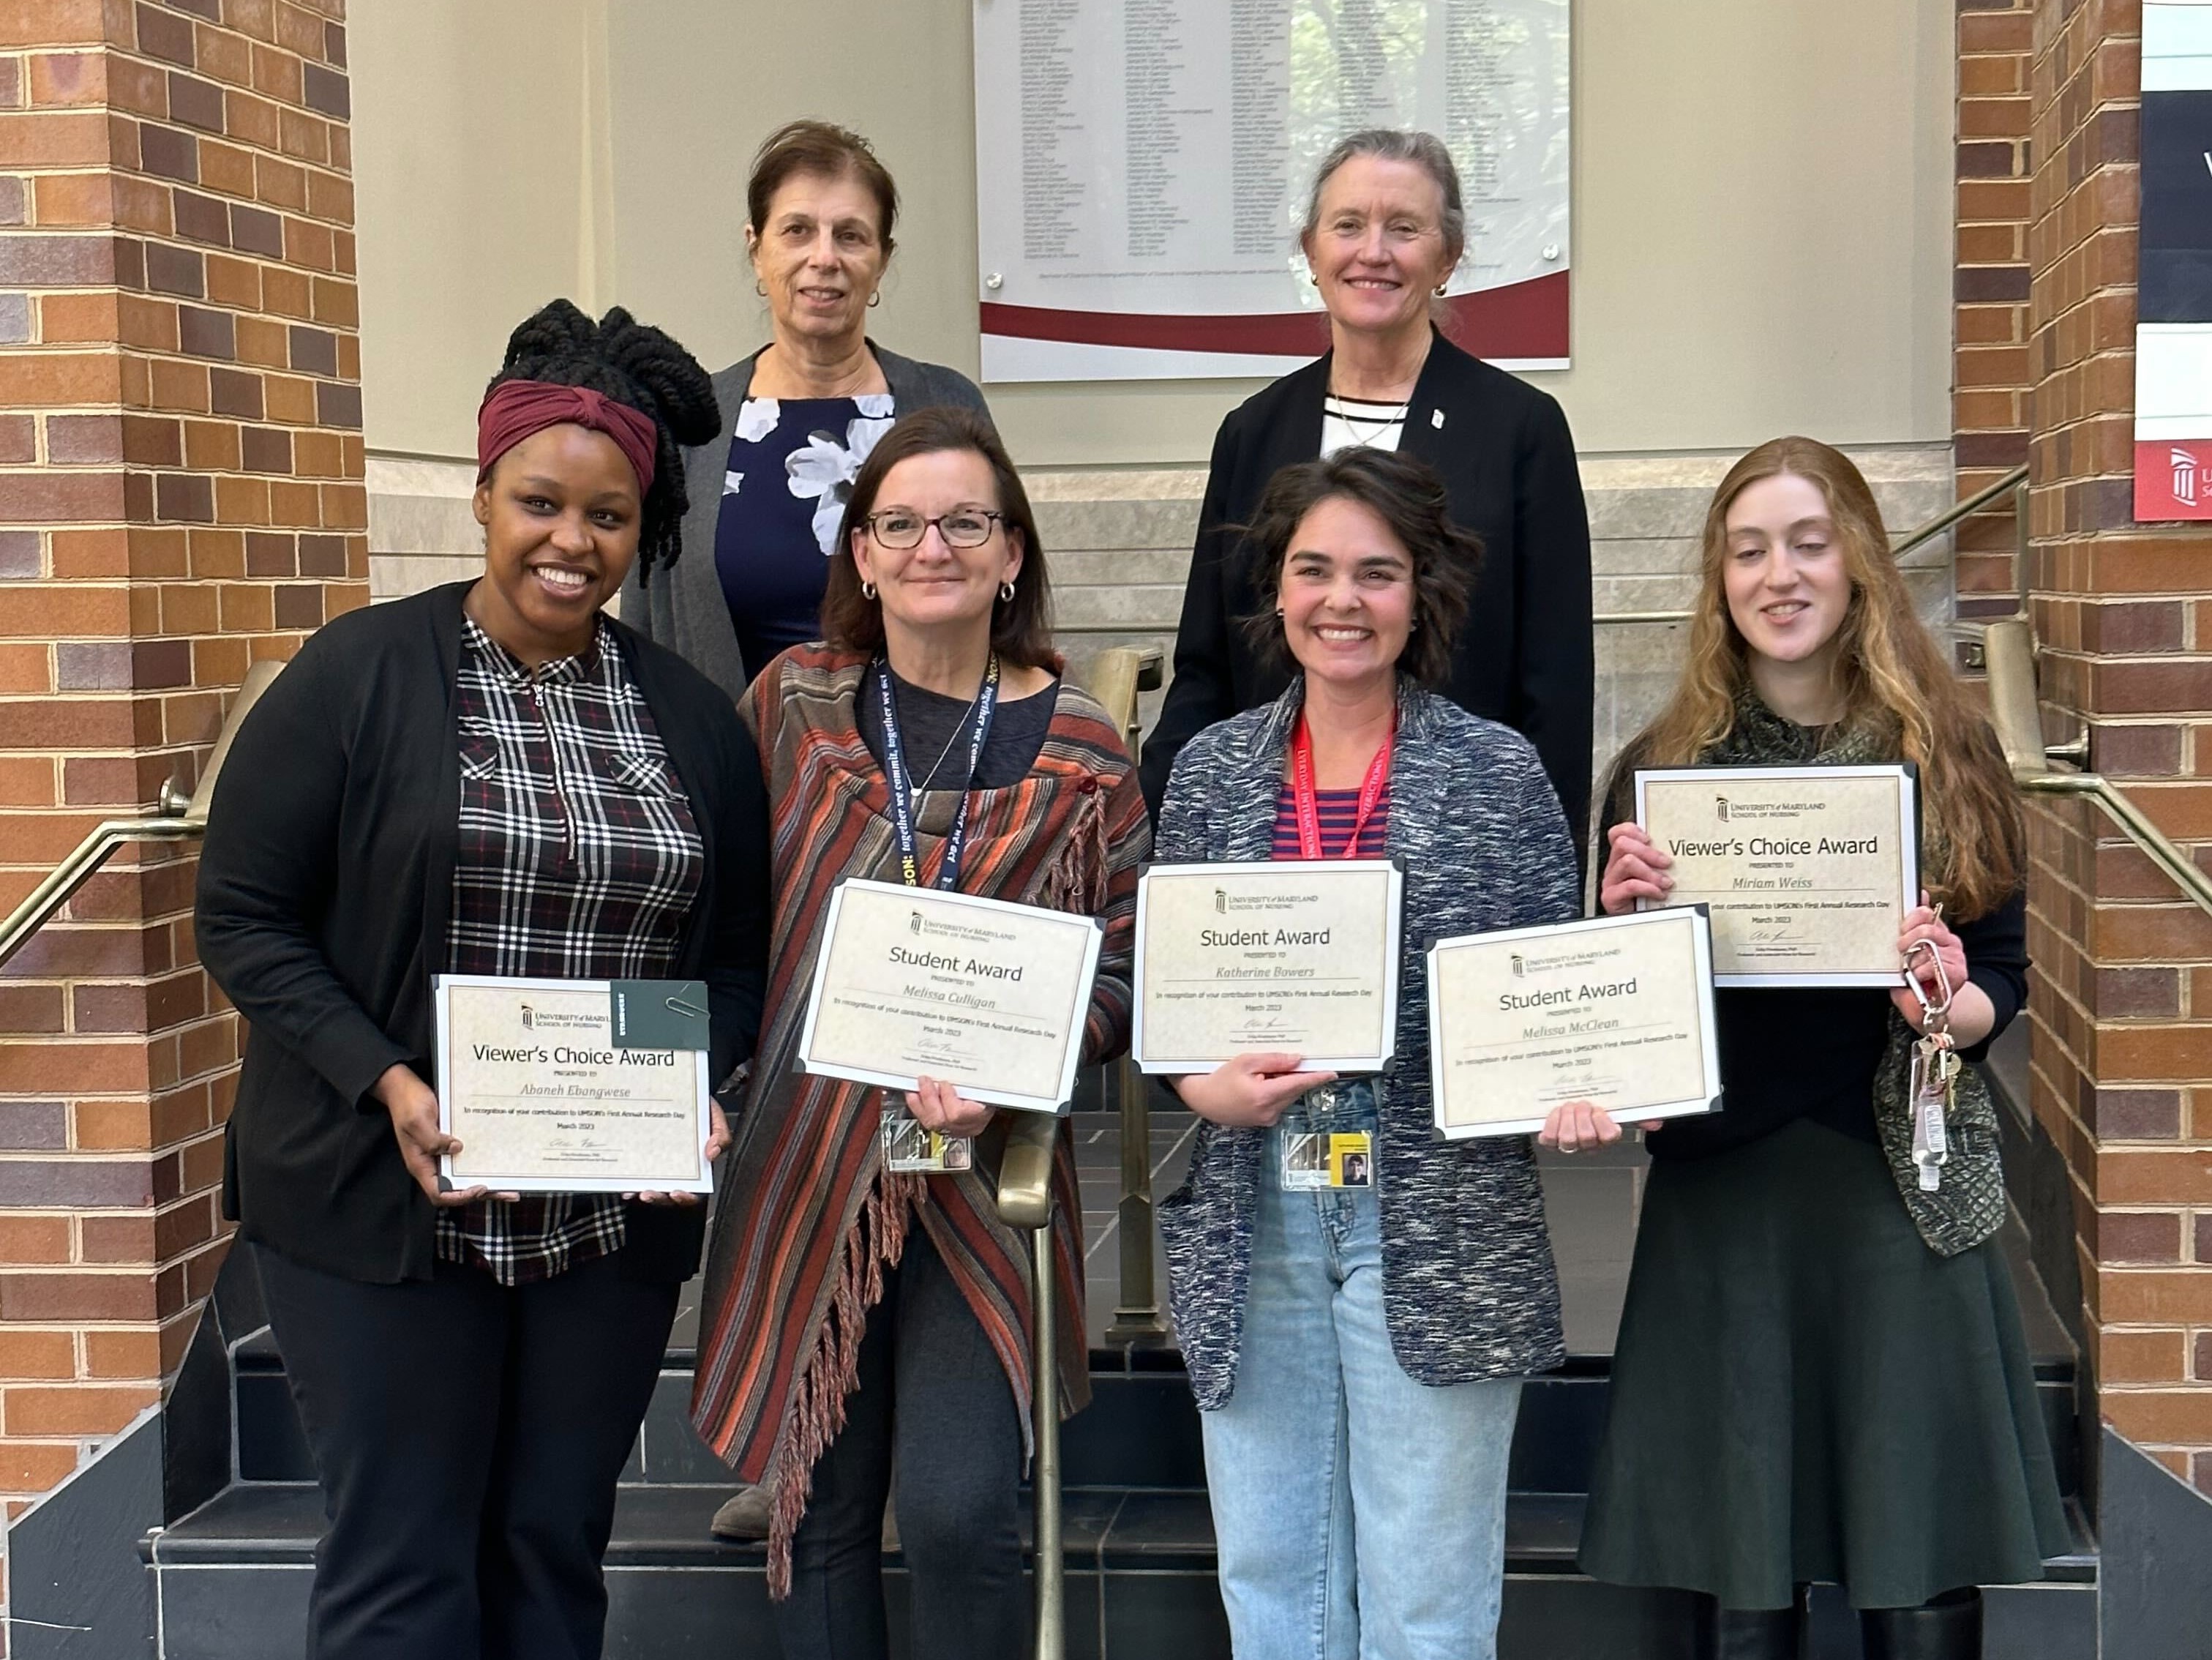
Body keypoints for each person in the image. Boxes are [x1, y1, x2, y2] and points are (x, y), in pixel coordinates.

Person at [194, 300, 773, 1660]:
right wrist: (387, 1078)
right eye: (540, 502)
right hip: (380, 1197)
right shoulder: (357, 677)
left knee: (550, 1552)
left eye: (610, 516)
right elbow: (244, 914)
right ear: (481, 497)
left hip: (601, 1221)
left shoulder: (687, 715)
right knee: (404, 1568)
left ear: (645, 532)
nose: (572, 541)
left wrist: (691, 1079)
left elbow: (734, 955)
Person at [1572, 438, 2069, 1659]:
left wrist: (1941, 1004)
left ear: (1857, 562)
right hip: (1724, 1194)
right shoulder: (1653, 777)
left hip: (1895, 1184)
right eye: (1748, 550)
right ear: (1718, 578)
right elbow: (1628, 1016)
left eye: (1808, 542)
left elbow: (1994, 982)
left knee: (1915, 1540)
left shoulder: (1947, 757)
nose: (1778, 574)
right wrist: (1618, 930)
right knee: (1741, 1552)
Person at [687, 406, 1151, 1660]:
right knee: (822, 1506)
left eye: (965, 521)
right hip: (806, 1159)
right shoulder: (794, 708)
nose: (930, 545)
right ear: (862, 553)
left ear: (1012, 555)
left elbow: (1125, 963)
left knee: (953, 1510)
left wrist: (1025, 1066)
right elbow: (713, 902)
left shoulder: (1085, 749)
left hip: (980, 1174)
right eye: (899, 522)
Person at [1152, 446, 1591, 1660]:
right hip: (1253, 1213)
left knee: (1428, 1602)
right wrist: (1201, 1085)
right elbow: (1165, 1001)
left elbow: (1552, 988)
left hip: (1442, 1208)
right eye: (1312, 569)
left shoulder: (1496, 770)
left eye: (1375, 572)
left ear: (1420, 594)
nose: (1340, 599)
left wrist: (1570, 1085)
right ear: (1275, 590)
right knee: (1273, 1586)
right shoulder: (1208, 772)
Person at [1141, 127, 1594, 848]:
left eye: (1403, 228)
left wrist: (1547, 872)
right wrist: (1155, 832)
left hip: (1457, 841)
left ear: (1446, 258)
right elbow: (1207, 666)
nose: (1372, 251)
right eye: (1347, 225)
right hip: (1273, 845)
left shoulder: (1519, 429)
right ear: (1311, 253)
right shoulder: (1252, 432)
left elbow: (1556, 685)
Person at [621, 119, 990, 699]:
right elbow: (642, 629)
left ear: (881, 260)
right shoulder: (687, 422)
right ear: (756, 249)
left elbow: (998, 601)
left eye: (850, 235)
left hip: (919, 769)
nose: (824, 257)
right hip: (726, 775)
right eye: (797, 230)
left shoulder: (947, 405)